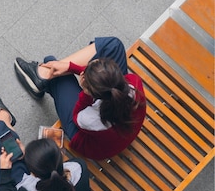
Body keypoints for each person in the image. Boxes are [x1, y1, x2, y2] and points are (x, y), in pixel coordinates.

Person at [14, 37, 147, 160]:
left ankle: (43, 77)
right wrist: (71, 67)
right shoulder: (133, 83)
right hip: (122, 125)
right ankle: (42, 76)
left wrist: (85, 93)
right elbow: (101, 83)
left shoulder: (90, 119)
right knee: (113, 45)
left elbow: (77, 116)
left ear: (93, 94)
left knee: (56, 73)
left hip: (90, 142)